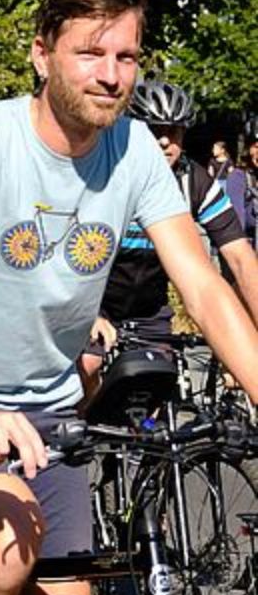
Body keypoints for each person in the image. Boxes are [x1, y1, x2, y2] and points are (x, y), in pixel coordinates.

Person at [0, 0, 258, 595]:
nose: (111, 74)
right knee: (3, 553)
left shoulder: (136, 149)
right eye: (90, 52)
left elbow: (201, 282)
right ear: (42, 54)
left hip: (51, 416)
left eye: (126, 56)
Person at [79, 81, 258, 396]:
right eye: (153, 129)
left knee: (160, 388)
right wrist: (87, 313)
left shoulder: (194, 181)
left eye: (173, 131)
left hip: (151, 312)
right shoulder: (102, 176)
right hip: (93, 303)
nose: (163, 141)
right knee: (89, 369)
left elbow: (241, 260)